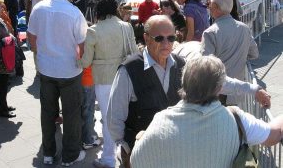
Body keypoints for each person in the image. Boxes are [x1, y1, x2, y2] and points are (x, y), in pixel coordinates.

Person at [107, 15, 270, 167]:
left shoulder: (181, 65)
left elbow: (219, 81)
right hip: (141, 155)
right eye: (159, 38)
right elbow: (114, 118)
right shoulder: (129, 70)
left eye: (171, 38)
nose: (166, 43)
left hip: (174, 151)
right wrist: (126, 149)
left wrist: (253, 89)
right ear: (146, 38)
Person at [130, 54, 282, 168]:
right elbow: (273, 136)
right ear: (219, 88)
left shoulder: (160, 120)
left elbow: (136, 161)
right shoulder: (236, 119)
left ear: (183, 82)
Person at [27, 0, 88, 166]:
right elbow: (82, 46)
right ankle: (70, 156)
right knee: (71, 115)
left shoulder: (39, 7)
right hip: (69, 70)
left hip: (46, 69)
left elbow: (32, 39)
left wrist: (44, 53)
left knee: (47, 112)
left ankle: (48, 153)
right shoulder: (74, 12)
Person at [82, 0, 138, 168]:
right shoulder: (126, 26)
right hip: (125, 76)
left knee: (108, 119)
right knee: (124, 117)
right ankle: (125, 153)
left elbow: (85, 62)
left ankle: (108, 159)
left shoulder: (93, 30)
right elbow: (135, 52)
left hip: (104, 79)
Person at [201, 0, 259, 103]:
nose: (208, 7)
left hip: (217, 92)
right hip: (237, 91)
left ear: (215, 7)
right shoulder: (244, 28)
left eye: (209, 4)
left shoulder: (210, 33)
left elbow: (204, 65)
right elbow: (254, 53)